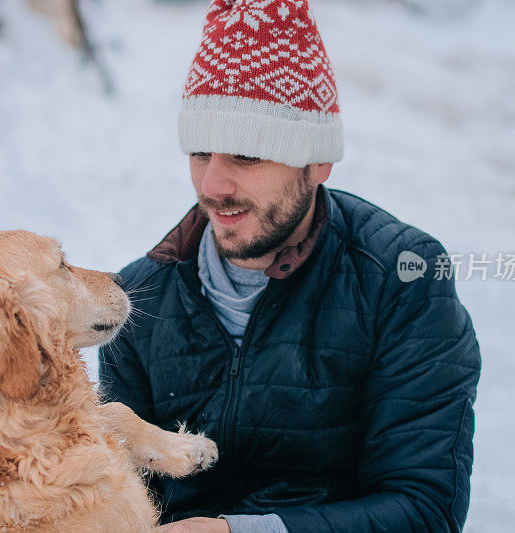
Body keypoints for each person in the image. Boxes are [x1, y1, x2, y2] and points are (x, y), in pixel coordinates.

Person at [98, 1, 481, 531]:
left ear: (318, 161)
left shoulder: (399, 280)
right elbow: (111, 498)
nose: (213, 186)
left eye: (247, 156)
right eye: (200, 153)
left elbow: (424, 508)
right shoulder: (139, 299)